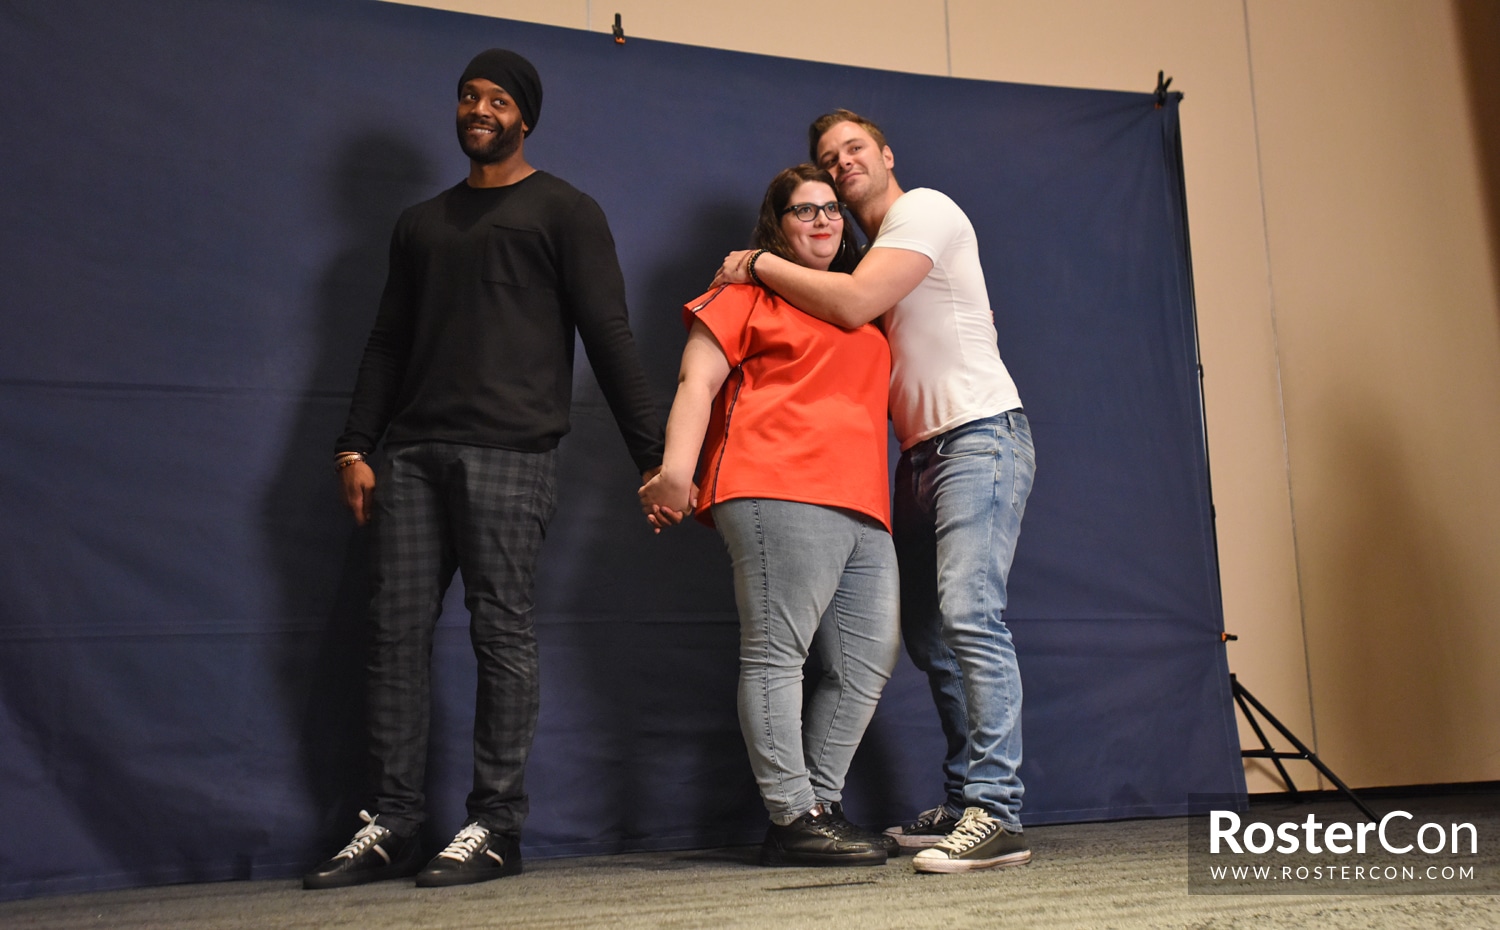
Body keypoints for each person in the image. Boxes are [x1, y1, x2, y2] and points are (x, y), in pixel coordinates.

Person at [304, 49, 666, 890]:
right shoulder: (421, 223)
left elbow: (610, 340)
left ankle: (495, 826)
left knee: (500, 635)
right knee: (392, 638)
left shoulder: (565, 212)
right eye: (469, 96)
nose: (479, 108)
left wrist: (654, 459)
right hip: (411, 457)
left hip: (512, 453)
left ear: (524, 117)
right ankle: (392, 820)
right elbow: (386, 342)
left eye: (498, 99)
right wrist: (354, 445)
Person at [713, 110, 1036, 874]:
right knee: (928, 636)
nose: (843, 162)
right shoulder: (866, 256)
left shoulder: (922, 209)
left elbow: (854, 305)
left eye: (854, 149)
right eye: (828, 157)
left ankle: (998, 810)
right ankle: (963, 803)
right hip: (920, 456)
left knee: (969, 615)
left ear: (886, 155)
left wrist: (756, 264)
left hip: (978, 435)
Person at [641, 165, 900, 867]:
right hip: (776, 484)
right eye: (804, 211)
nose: (822, 221)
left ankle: (817, 805)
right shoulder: (746, 294)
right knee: (778, 654)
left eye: (831, 211)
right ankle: (793, 814)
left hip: (863, 502)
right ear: (776, 225)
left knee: (865, 660)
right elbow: (698, 379)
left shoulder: (859, 306)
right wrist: (676, 473)